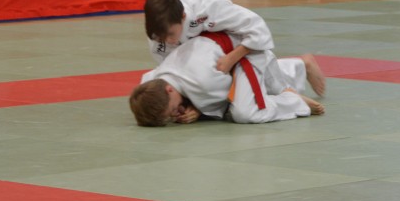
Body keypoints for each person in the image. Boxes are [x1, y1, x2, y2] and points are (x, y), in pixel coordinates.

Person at [129, 33, 326, 125]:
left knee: (246, 112)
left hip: (248, 53)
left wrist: (199, 111)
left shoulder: (203, 83)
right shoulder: (151, 81)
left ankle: (292, 100)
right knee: (259, 85)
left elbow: (229, 100)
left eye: (173, 109)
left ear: (169, 89)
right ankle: (301, 65)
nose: (177, 114)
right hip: (223, 57)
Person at [144, 0, 275, 66]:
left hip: (242, 52)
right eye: (160, 37)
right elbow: (169, 67)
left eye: (170, 34)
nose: (167, 40)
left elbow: (257, 28)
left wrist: (231, 58)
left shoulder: (207, 6)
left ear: (183, 17)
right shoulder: (156, 34)